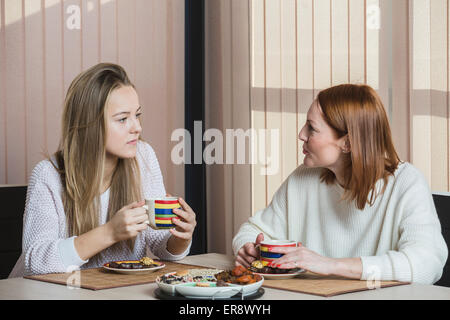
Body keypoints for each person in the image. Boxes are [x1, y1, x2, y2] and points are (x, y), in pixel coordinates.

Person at [232, 84, 448, 284]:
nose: (301, 135)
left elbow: (428, 264)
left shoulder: (406, 182)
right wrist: (247, 247)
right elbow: (253, 229)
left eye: (311, 128)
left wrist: (330, 265)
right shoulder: (303, 178)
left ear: (347, 143)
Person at [9, 63, 196, 277]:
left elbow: (160, 245)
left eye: (137, 115)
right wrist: (110, 232)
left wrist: (180, 237)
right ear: (90, 125)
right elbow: (36, 262)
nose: (137, 127)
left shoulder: (143, 156)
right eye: (123, 119)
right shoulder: (48, 175)